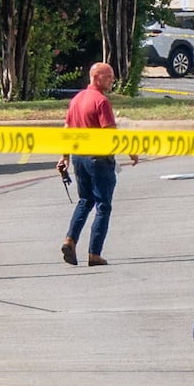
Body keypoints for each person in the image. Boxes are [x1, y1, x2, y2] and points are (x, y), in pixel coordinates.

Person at [59, 60, 120, 266]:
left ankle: (70, 239)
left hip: (79, 158)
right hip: (99, 159)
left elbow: (67, 129)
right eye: (108, 76)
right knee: (103, 206)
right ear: (96, 77)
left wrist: (65, 156)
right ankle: (94, 253)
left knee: (85, 201)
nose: (112, 80)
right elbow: (110, 134)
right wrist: (131, 150)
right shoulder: (101, 101)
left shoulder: (76, 99)